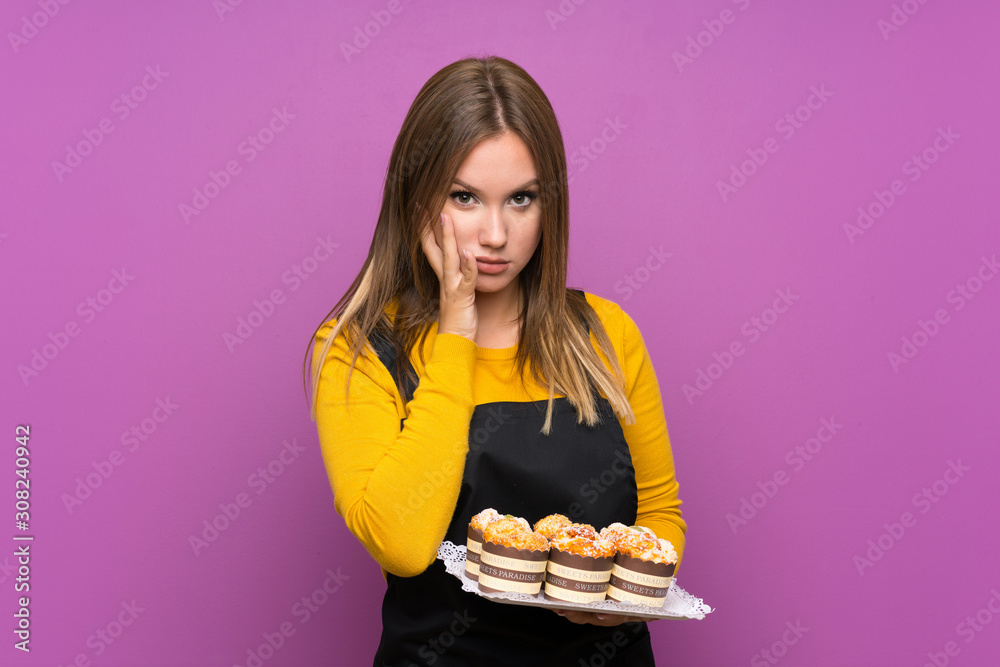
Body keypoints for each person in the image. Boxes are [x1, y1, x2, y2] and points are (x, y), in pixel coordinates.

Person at [304, 55, 686, 666]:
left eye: (521, 199)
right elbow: (403, 546)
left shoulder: (606, 334)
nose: (494, 234)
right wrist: (457, 326)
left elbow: (658, 517)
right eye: (464, 197)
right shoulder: (357, 349)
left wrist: (620, 597)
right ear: (415, 196)